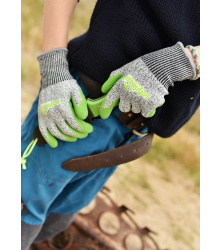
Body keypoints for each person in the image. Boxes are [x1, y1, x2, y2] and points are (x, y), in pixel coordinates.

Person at [21, 0, 200, 249]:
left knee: (55, 222)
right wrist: (53, 68)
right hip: (79, 103)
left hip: (135, 129)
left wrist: (181, 62)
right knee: (20, 217)